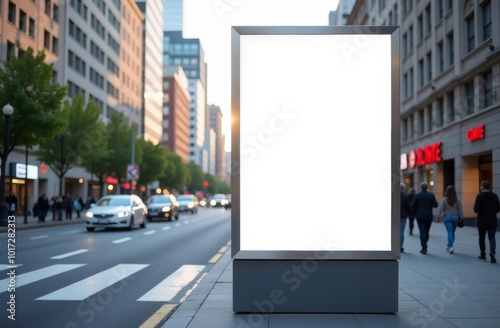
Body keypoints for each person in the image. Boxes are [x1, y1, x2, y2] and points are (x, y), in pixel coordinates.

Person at [473, 180, 500, 263]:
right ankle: (492, 253)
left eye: (481, 186)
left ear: (482, 187)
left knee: (482, 238)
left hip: (482, 220)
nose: (480, 187)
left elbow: (476, 209)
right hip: (492, 220)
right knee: (492, 237)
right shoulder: (495, 196)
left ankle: (483, 255)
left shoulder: (479, 196)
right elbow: (498, 208)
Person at [410, 182, 438, 254]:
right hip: (428, 216)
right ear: (427, 187)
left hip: (419, 216)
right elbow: (435, 205)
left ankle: (424, 247)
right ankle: (424, 244)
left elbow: (412, 206)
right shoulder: (431, 195)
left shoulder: (417, 195)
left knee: (422, 232)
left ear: (420, 187)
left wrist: (412, 214)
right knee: (427, 231)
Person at [436, 186, 463, 254]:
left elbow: (441, 209)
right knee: (452, 232)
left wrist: (438, 216)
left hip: (447, 217)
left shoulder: (444, 199)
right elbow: (460, 210)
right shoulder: (458, 200)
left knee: (450, 232)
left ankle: (451, 247)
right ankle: (449, 245)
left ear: (447, 191)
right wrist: (462, 217)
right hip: (455, 217)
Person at [400, 184, 411, 253]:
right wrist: (410, 215)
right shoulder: (405, 196)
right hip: (403, 216)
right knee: (401, 232)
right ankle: (400, 247)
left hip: (394, 217)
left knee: (394, 232)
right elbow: (408, 207)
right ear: (403, 188)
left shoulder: (393, 195)